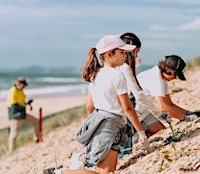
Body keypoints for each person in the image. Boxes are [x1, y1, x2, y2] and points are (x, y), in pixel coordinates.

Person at [43, 35, 149, 174]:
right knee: (103, 173)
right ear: (110, 54)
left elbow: (89, 106)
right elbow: (127, 108)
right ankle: (58, 173)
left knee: (106, 170)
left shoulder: (95, 74)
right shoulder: (117, 76)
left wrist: (95, 125)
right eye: (122, 52)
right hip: (112, 123)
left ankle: (75, 163)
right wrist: (141, 133)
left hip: (99, 119)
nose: (125, 56)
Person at [137, 55, 200, 122]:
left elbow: (169, 104)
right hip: (133, 114)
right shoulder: (156, 80)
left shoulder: (160, 76)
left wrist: (188, 113)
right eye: (176, 75)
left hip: (139, 112)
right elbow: (163, 107)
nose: (175, 78)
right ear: (169, 70)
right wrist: (186, 118)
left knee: (160, 127)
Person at [6, 77, 39, 153]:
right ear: (18, 84)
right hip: (15, 116)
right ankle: (11, 152)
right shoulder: (12, 92)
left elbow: (22, 102)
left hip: (22, 115)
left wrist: (28, 104)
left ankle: (37, 139)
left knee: (36, 122)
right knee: (14, 134)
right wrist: (24, 105)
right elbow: (14, 105)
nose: (24, 88)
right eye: (23, 86)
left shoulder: (21, 92)